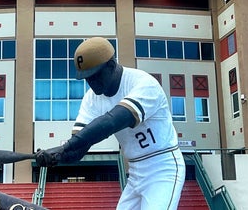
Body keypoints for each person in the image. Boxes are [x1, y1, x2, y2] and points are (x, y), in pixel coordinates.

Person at [35, 37, 185, 210]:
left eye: (95, 75)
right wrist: (55, 157)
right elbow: (77, 150)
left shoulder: (143, 82)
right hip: (136, 172)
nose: (91, 83)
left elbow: (112, 121)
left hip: (163, 166)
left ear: (111, 66)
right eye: (87, 78)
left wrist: (66, 147)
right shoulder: (91, 99)